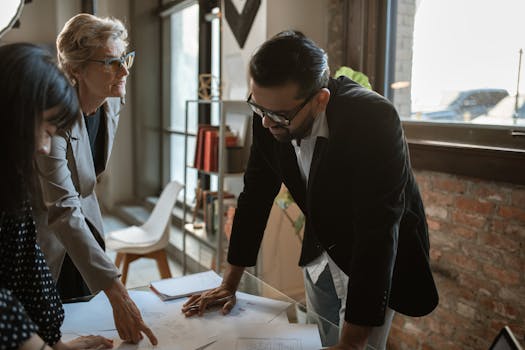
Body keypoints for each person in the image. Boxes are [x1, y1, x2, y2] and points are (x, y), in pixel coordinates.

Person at [182, 31, 439, 349]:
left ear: (320, 99)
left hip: (371, 263)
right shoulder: (269, 112)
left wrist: (354, 341)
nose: (264, 124)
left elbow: (378, 229)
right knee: (317, 338)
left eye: (278, 115)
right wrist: (229, 283)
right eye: (258, 108)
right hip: (320, 249)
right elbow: (255, 195)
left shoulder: (374, 119)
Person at [31, 14, 157, 345]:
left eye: (125, 59)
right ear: (76, 70)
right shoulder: (53, 115)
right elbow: (62, 206)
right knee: (52, 325)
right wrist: (117, 290)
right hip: (45, 239)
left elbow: (87, 183)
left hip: (84, 230)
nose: (125, 71)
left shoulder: (110, 100)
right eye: (111, 63)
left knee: (90, 318)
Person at [0, 42, 114, 350]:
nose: (44, 148)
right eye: (47, 131)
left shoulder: (13, 175)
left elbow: (27, 261)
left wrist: (55, 342)